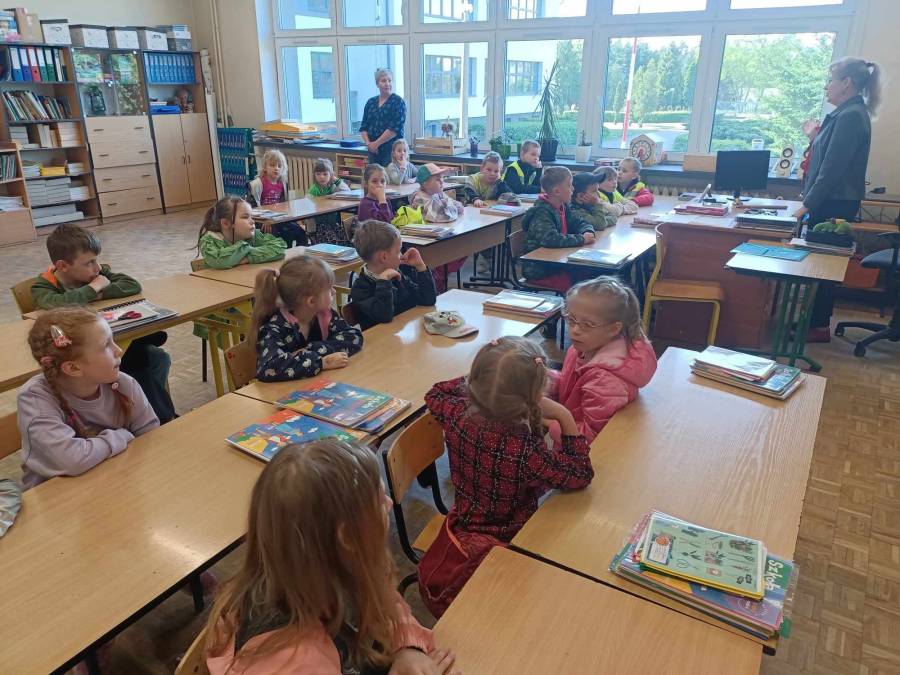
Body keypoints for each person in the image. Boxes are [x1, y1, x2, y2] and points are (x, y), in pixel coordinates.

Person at [202, 440, 459, 674]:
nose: (390, 503)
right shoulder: (299, 660)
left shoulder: (328, 565)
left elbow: (384, 601)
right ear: (347, 536)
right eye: (380, 500)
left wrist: (407, 648)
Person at [419, 337, 594, 617]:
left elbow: (435, 392)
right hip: (510, 540)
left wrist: (486, 377)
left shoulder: (456, 413)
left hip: (463, 520)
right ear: (537, 396)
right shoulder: (525, 451)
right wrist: (564, 415)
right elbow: (581, 473)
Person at [30, 223, 176, 423]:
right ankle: (149, 415)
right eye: (89, 262)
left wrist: (96, 292)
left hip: (112, 341)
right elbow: (56, 304)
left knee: (158, 358)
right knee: (137, 362)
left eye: (96, 260)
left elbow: (131, 285)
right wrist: (93, 288)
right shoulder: (43, 286)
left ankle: (145, 410)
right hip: (81, 355)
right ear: (62, 266)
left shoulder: (94, 273)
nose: (97, 267)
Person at [17, 307, 159, 489]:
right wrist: (121, 436)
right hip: (56, 495)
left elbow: (151, 436)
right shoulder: (34, 399)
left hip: (116, 481)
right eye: (106, 345)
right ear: (73, 368)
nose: (118, 350)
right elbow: (70, 460)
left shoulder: (124, 384)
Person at [794, 57, 880, 342]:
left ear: (847, 83)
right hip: (830, 200)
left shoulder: (851, 116)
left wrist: (807, 205)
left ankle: (817, 326)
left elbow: (832, 169)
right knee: (819, 264)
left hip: (834, 203)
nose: (826, 87)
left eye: (831, 80)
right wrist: (814, 137)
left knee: (823, 266)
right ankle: (814, 322)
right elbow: (826, 157)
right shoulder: (845, 114)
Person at [548, 277, 657, 443]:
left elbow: (591, 439)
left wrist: (548, 422)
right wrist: (543, 379)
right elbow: (571, 386)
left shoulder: (606, 381)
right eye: (571, 319)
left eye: (588, 324)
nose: (575, 330)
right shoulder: (582, 348)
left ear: (614, 329)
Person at [251, 256, 363, 382]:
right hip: (284, 392)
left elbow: (353, 336)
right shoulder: (274, 327)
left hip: (318, 384)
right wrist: (321, 363)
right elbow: (269, 367)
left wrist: (309, 350)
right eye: (329, 288)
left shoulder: (324, 315)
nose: (334, 292)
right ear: (311, 301)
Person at [520, 166, 596, 292]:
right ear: (557, 191)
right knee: (585, 284)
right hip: (540, 270)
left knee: (592, 275)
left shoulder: (563, 206)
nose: (573, 189)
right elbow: (550, 239)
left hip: (558, 263)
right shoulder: (542, 212)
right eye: (569, 185)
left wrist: (587, 231)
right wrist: (582, 239)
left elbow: (580, 222)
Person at [350, 219, 436, 330]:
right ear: (384, 257)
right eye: (398, 251)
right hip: (381, 339)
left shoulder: (396, 274)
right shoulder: (361, 288)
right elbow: (384, 316)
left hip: (401, 335)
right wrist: (383, 282)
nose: (401, 255)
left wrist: (421, 267)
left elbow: (427, 300)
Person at [412, 163, 466, 292]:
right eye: (437, 179)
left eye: (442, 178)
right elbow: (443, 216)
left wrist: (451, 205)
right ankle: (437, 281)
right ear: (425, 183)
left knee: (465, 246)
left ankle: (441, 278)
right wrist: (451, 206)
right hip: (428, 241)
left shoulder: (437, 194)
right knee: (453, 251)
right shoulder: (420, 199)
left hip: (443, 235)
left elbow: (458, 206)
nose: (441, 182)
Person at [197, 196, 286, 269]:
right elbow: (219, 261)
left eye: (251, 217)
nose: (252, 221)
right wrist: (245, 248)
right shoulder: (210, 240)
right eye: (245, 217)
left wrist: (246, 258)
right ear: (226, 223)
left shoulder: (253, 235)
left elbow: (280, 248)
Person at [246, 148, 308, 247]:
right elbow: (252, 208)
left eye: (279, 166)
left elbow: (283, 205)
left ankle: (297, 254)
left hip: (279, 218)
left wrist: (297, 221)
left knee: (300, 232)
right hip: (263, 221)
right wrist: (265, 220)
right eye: (272, 165)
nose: (276, 168)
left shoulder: (282, 183)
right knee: (274, 238)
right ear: (265, 167)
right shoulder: (257, 184)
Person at [359, 67, 407, 167]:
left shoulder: (398, 102)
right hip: (373, 151)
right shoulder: (370, 102)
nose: (387, 84)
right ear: (377, 84)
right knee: (374, 175)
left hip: (392, 151)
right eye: (384, 81)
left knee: (391, 176)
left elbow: (394, 129)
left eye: (389, 80)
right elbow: (363, 127)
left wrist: (376, 144)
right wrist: (369, 144)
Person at [306, 157, 351, 246]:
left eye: (325, 174)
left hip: (334, 224)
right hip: (320, 226)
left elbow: (347, 192)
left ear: (331, 175)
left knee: (344, 241)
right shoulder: (314, 190)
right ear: (314, 175)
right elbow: (308, 210)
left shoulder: (332, 187)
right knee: (333, 242)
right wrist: (311, 232)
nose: (321, 177)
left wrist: (336, 180)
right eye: (318, 174)